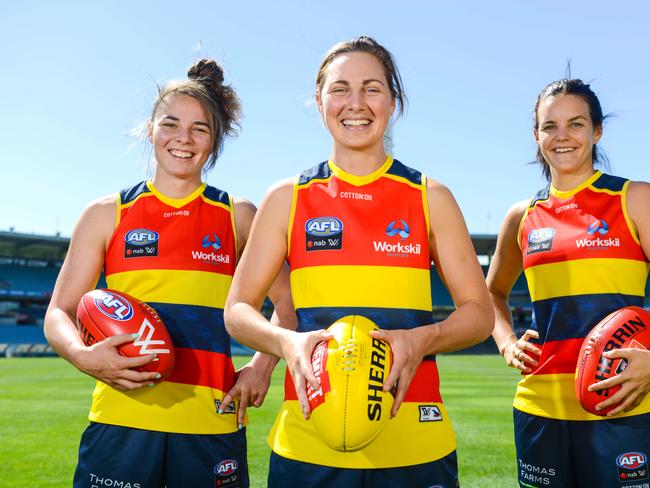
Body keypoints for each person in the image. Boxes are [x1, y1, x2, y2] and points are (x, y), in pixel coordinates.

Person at [224, 36, 493, 488]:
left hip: (416, 443)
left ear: (393, 102)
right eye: (340, 88)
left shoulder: (431, 197)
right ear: (319, 100)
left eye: (372, 88)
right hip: (306, 442)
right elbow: (238, 310)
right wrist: (284, 343)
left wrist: (423, 337)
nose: (356, 103)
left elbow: (480, 314)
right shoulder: (287, 198)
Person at [44, 59, 295, 488]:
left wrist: (260, 366)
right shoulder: (107, 214)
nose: (184, 138)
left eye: (200, 129)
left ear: (214, 141)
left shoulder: (238, 216)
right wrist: (83, 356)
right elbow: (59, 313)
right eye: (171, 124)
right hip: (120, 419)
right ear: (151, 129)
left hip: (211, 424)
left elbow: (289, 304)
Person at [488, 78, 650, 487]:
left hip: (624, 405)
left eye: (576, 124)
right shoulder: (521, 216)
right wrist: (507, 342)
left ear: (597, 131)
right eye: (549, 126)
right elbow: (491, 293)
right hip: (540, 409)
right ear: (536, 135)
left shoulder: (634, 199)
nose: (562, 136)